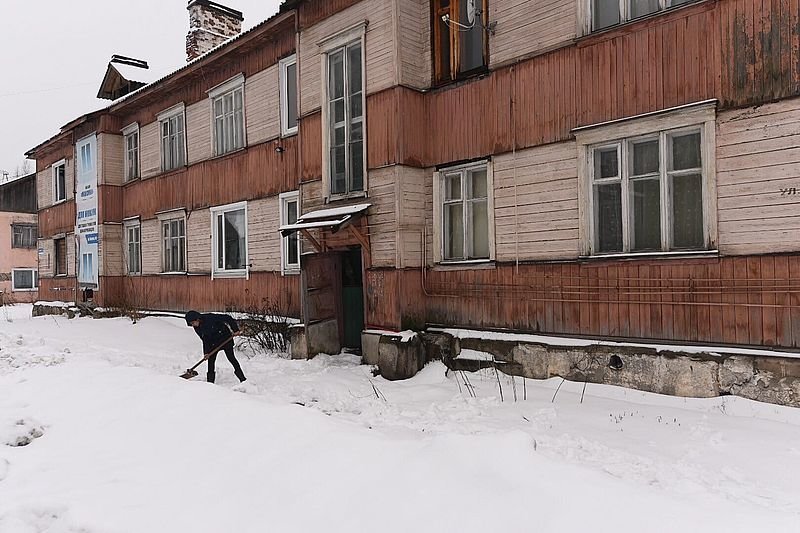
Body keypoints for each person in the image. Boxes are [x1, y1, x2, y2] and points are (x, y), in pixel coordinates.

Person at [185, 310, 246, 384]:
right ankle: (210, 384)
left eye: (193, 323)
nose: (193, 325)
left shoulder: (210, 318)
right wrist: (206, 352)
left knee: (231, 358)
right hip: (213, 343)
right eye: (191, 324)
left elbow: (227, 318)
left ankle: (243, 379)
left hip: (225, 338)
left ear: (197, 319)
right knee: (210, 362)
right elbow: (204, 339)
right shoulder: (197, 328)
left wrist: (235, 329)